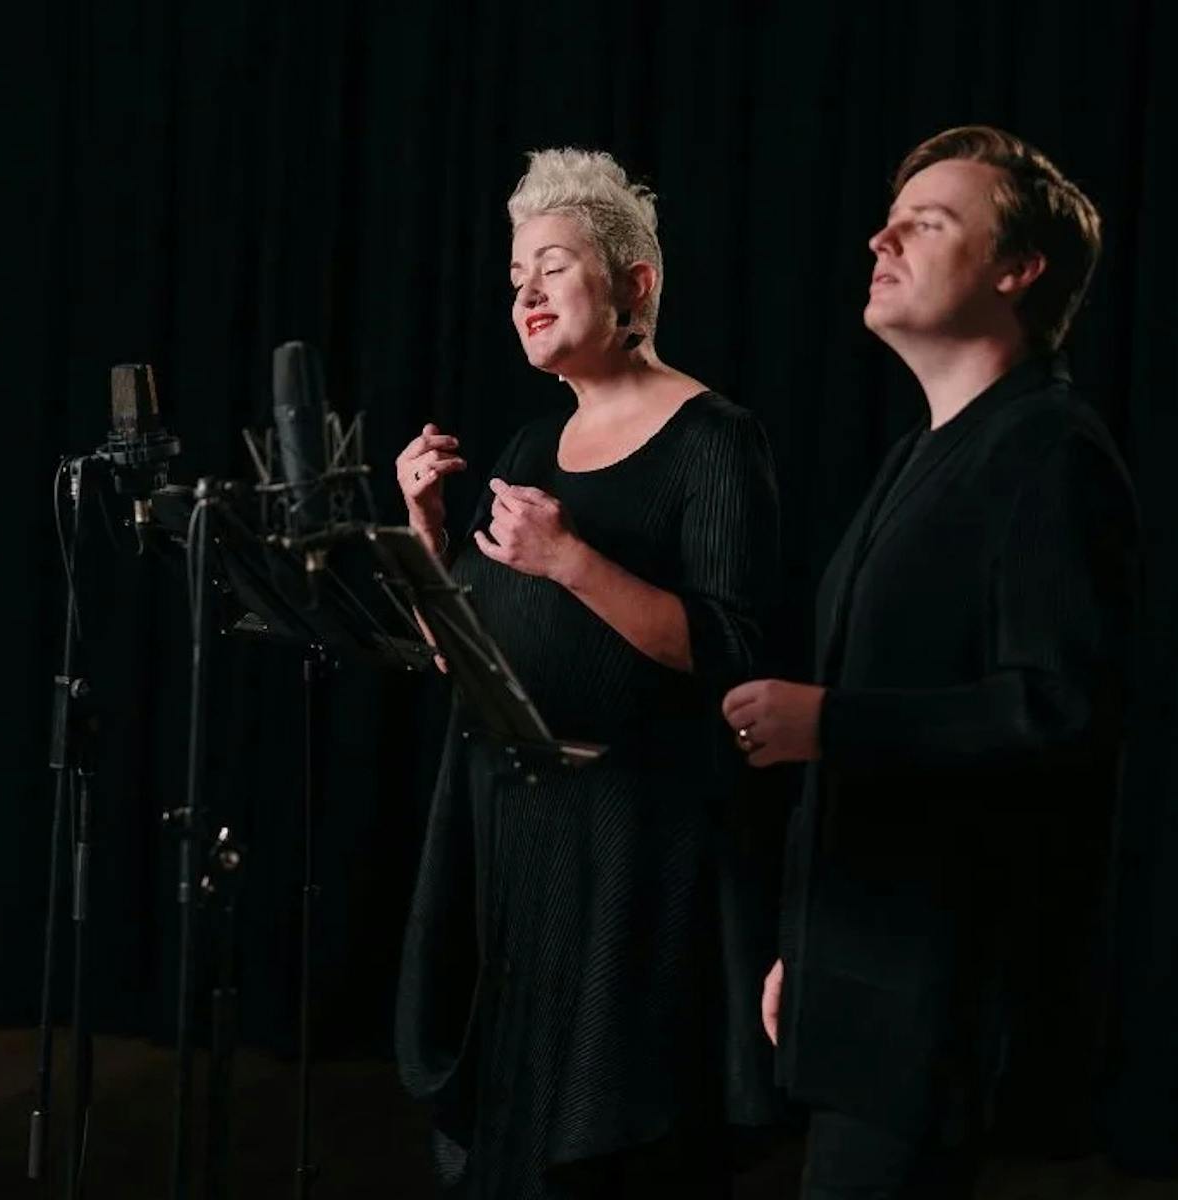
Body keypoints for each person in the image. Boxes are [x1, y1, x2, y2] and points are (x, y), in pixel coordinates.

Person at [724, 124, 1138, 1198]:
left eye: (926, 222)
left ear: (1015, 270)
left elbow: (1059, 711)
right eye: (887, 219)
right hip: (855, 976)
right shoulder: (921, 454)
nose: (879, 238)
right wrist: (804, 955)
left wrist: (829, 723)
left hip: (937, 999)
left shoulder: (1046, 453)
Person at [392, 148, 782, 1198]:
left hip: (634, 850)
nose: (523, 292)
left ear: (634, 285)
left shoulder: (714, 440)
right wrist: (427, 537)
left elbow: (732, 655)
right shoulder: (528, 442)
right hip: (513, 831)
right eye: (515, 275)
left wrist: (570, 560)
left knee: (611, 1148)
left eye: (551, 267)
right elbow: (455, 652)